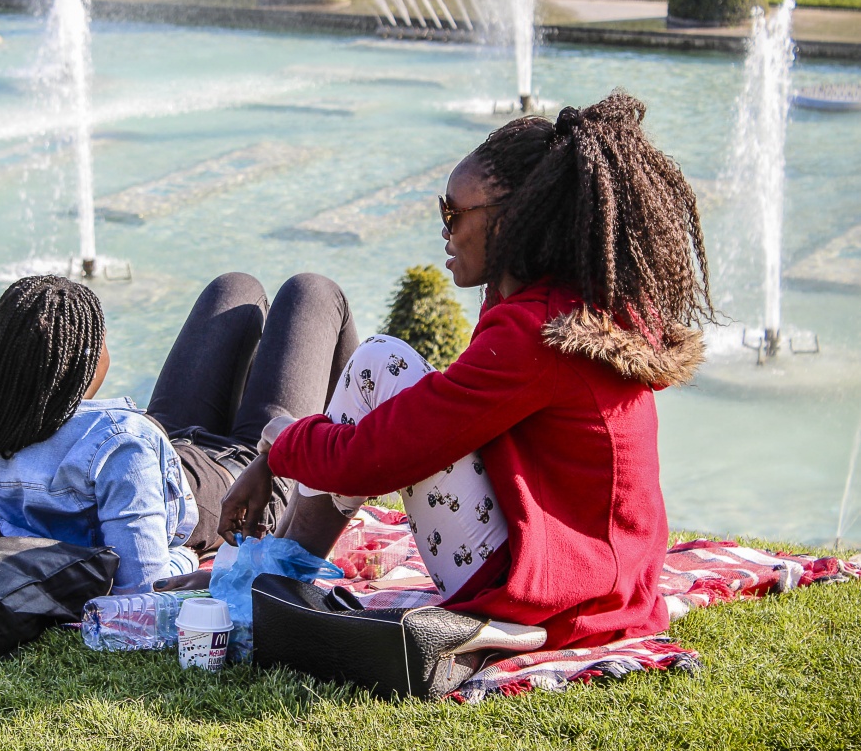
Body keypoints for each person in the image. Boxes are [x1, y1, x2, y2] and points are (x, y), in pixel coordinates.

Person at [165, 91, 713, 650]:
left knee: (383, 364)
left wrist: (275, 454)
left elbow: (376, 456)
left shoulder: (534, 335)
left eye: (455, 213)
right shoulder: (565, 306)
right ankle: (272, 576)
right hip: (597, 579)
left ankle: (266, 581)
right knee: (383, 370)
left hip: (561, 596)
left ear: (513, 224)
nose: (445, 230)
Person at [0, 271, 357, 594]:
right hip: (244, 480)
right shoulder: (121, 444)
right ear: (82, 361)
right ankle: (353, 469)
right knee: (313, 291)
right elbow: (145, 585)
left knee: (235, 287)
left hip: (167, 449)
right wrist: (186, 558)